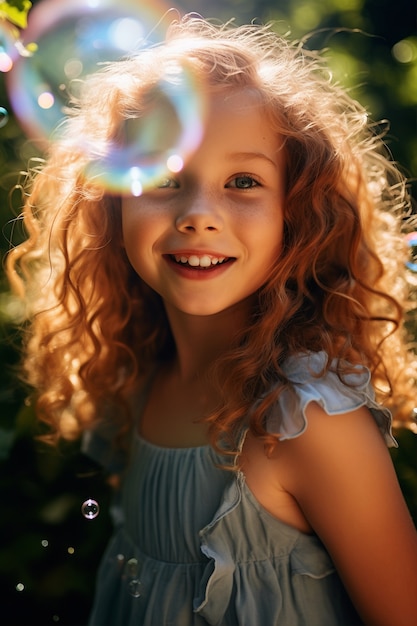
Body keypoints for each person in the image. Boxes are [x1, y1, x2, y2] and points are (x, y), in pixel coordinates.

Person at [6, 14, 417, 626]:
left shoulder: (306, 425)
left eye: (243, 181)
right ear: (113, 205)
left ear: (296, 216)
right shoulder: (139, 381)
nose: (199, 214)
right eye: (166, 177)